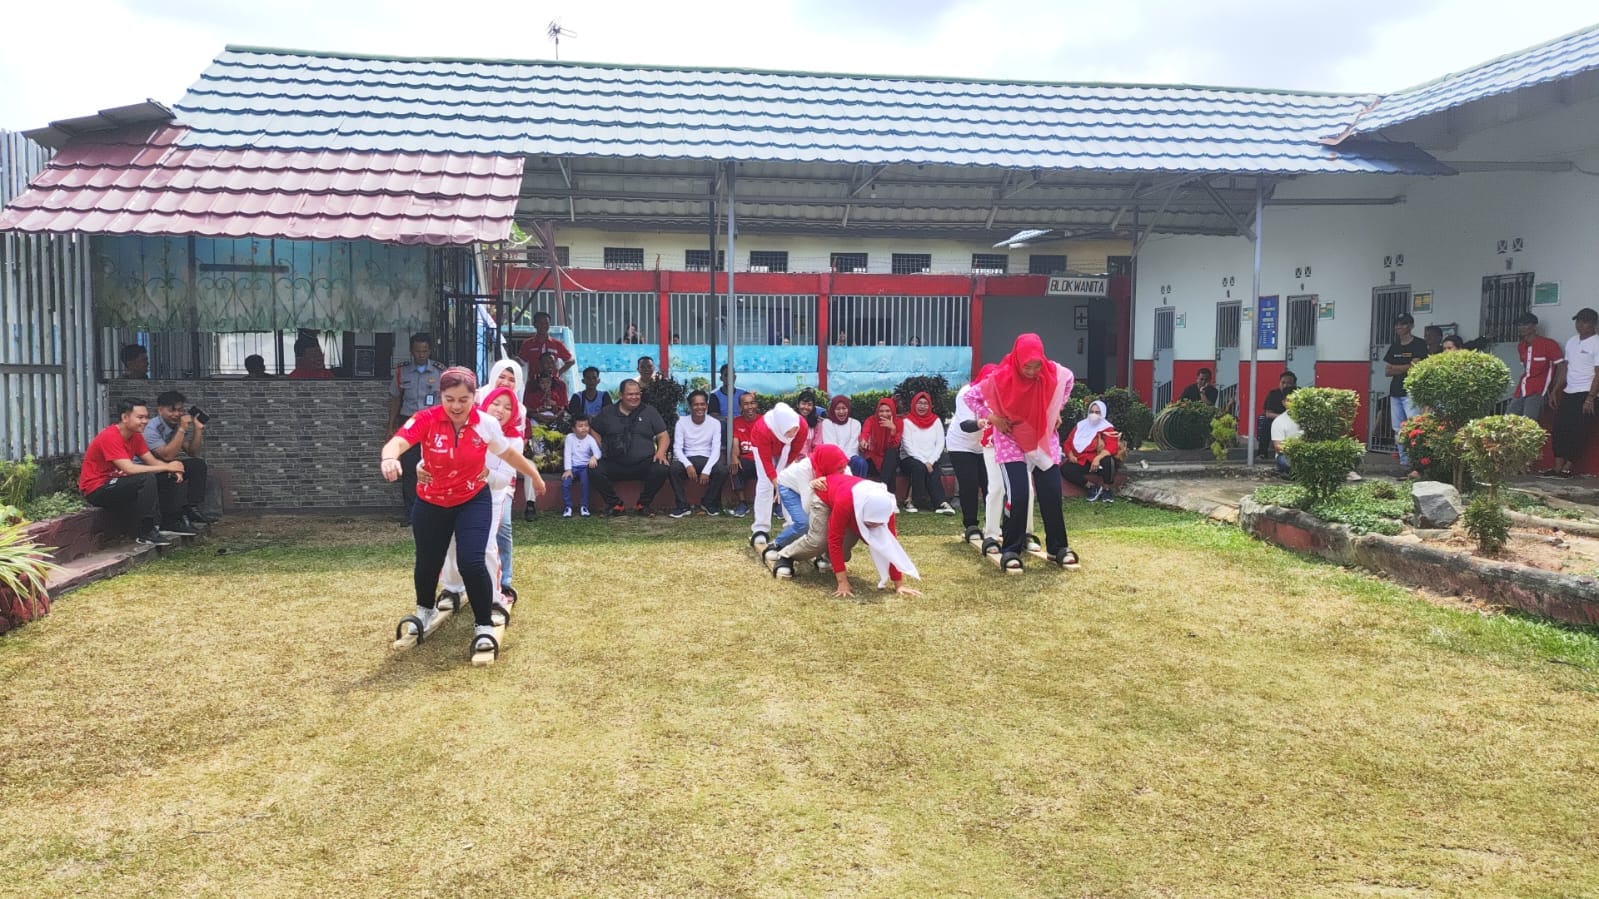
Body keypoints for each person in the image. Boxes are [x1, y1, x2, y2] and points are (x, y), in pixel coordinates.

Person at [382, 368, 546, 658]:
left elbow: (509, 454)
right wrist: (389, 458)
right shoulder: (426, 419)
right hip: (432, 502)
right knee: (428, 561)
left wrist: (534, 475)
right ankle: (424, 611)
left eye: (463, 399)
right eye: (449, 399)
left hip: (471, 499)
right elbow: (398, 442)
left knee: (472, 560)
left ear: (474, 397)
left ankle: (483, 623)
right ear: (441, 397)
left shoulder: (485, 424)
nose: (456, 406)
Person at [963, 333, 1078, 570]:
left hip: (1042, 438)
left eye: (1037, 365)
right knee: (1019, 495)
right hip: (1010, 439)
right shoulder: (1001, 377)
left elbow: (1069, 380)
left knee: (1052, 493)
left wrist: (1057, 410)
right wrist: (992, 417)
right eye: (1028, 365)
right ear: (1018, 360)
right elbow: (970, 396)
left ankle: (1058, 547)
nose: (1033, 370)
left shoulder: (1051, 372)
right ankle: (1011, 549)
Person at [427, 387, 523, 613]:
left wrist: (485, 474)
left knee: (487, 547)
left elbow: (504, 480)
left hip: (491, 499)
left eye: (508, 407)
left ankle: (492, 597)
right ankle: (453, 588)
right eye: (496, 404)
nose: (501, 410)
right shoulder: (468, 427)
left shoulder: (513, 441)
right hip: (459, 495)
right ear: (485, 403)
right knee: (451, 542)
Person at [80, 398, 194, 546]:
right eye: (140, 417)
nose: (145, 421)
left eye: (146, 417)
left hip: (118, 482)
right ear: (125, 417)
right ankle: (145, 531)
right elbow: (130, 468)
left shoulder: (136, 436)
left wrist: (173, 468)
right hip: (98, 488)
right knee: (146, 478)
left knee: (164, 475)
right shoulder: (110, 436)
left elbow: (152, 462)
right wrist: (166, 467)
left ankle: (170, 521)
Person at [815, 475, 922, 599]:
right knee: (816, 541)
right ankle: (787, 556)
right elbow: (834, 539)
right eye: (871, 524)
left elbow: (890, 544)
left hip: (848, 501)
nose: (875, 528)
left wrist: (898, 585)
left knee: (843, 553)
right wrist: (842, 582)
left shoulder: (886, 508)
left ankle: (825, 558)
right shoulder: (845, 502)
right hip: (822, 494)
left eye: (879, 524)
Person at [477, 359, 526, 590]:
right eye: (502, 376)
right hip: (472, 476)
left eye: (512, 379)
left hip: (502, 477)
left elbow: (515, 446)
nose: (505, 382)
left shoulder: (520, 409)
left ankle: (504, 579)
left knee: (503, 525)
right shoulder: (476, 397)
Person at [590, 378, 672, 515]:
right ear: (621, 395)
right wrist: (601, 446)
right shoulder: (607, 412)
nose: (634, 397)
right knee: (594, 470)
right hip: (614, 462)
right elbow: (593, 430)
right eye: (630, 394)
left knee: (661, 468)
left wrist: (661, 453)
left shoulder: (649, 411)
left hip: (643, 463)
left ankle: (643, 504)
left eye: (637, 394)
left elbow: (663, 435)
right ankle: (615, 505)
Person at [388, 332, 445, 526]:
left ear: (430, 351)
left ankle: (434, 510)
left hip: (433, 423)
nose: (421, 354)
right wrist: (391, 425)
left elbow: (446, 400)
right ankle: (411, 513)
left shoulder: (440, 371)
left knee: (435, 466)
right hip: (409, 422)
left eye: (425, 351)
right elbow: (395, 399)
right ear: (411, 351)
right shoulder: (401, 372)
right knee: (410, 468)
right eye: (418, 351)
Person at [767, 443, 851, 572]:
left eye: (844, 466)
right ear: (828, 465)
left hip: (809, 489)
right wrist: (812, 486)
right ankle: (776, 544)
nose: (843, 470)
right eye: (840, 468)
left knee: (831, 520)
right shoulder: (804, 468)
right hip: (789, 487)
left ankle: (822, 556)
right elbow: (807, 507)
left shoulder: (844, 468)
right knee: (804, 522)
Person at [143, 389, 216, 529]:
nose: (177, 414)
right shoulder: (151, 429)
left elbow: (192, 452)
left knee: (197, 465)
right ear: (160, 410)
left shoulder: (174, 426)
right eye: (172, 410)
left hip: (165, 466)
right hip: (147, 470)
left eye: (180, 410)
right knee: (166, 474)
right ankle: (170, 520)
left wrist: (198, 429)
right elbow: (167, 455)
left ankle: (191, 507)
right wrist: (182, 429)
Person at [1541, 307, 1599, 479]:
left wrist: (1590, 397)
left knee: (1579, 430)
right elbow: (1565, 369)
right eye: (1578, 321)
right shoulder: (1572, 341)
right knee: (1560, 428)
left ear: (1593, 324)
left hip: (1586, 393)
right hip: (1569, 391)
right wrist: (1555, 390)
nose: (1580, 325)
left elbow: (1598, 373)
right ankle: (1557, 467)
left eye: (1584, 321)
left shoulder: (1597, 342)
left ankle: (1568, 467)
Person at [747, 402, 810, 544]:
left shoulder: (801, 426)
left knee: (790, 485)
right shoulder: (763, 428)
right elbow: (766, 462)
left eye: (795, 430)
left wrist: (783, 478)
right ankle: (760, 528)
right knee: (765, 484)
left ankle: (794, 524)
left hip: (786, 451)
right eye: (789, 431)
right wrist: (775, 481)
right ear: (781, 427)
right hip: (763, 449)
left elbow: (794, 450)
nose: (793, 434)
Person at [948, 366, 995, 538]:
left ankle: (992, 523)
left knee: (991, 484)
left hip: (985, 445)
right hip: (961, 444)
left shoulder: (999, 393)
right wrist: (980, 423)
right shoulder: (967, 393)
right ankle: (971, 525)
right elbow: (965, 425)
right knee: (969, 483)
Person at [669, 389, 729, 517]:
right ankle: (682, 506)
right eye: (696, 404)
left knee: (722, 470)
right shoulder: (681, 422)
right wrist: (687, 465)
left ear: (707, 406)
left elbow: (715, 450)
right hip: (688, 458)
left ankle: (708, 502)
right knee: (673, 469)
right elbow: (677, 449)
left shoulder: (715, 423)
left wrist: (707, 470)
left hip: (707, 459)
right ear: (690, 406)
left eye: (703, 404)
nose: (700, 407)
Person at [898, 391, 955, 514]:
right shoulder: (907, 421)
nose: (922, 406)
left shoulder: (936, 421)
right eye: (919, 403)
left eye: (925, 403)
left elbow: (940, 443)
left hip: (931, 458)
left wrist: (931, 461)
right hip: (909, 458)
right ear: (914, 404)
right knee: (919, 467)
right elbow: (908, 446)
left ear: (930, 406)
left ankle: (941, 503)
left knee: (934, 469)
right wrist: (925, 462)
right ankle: (913, 501)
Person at [1384, 313, 1429, 466]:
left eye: (1402, 324)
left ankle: (1417, 462)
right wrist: (1406, 367)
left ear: (1410, 326)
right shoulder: (1394, 345)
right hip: (1395, 392)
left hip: (1411, 392)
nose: (1398, 327)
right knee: (1398, 429)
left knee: (1413, 426)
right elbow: (1387, 371)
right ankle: (1405, 463)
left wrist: (1398, 368)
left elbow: (1415, 367)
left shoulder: (1419, 344)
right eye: (1397, 324)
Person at [1062, 399, 1122, 503]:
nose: (1094, 414)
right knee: (1066, 469)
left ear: (1102, 413)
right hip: (1082, 460)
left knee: (1108, 461)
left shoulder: (1107, 428)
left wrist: (1098, 458)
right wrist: (1070, 454)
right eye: (1092, 411)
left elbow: (1112, 447)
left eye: (1097, 412)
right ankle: (1091, 487)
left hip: (1099, 462)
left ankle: (1106, 489)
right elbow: (1068, 443)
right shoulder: (1080, 426)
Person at [1511, 312, 1561, 421]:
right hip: (1522, 388)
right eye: (1519, 325)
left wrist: (1554, 390)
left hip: (1538, 390)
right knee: (1509, 419)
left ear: (1534, 326)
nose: (1521, 328)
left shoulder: (1549, 344)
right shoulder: (1521, 346)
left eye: (1525, 324)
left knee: (1529, 423)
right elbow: (1526, 369)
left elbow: (1561, 367)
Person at [857, 397, 903, 492]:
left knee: (891, 454)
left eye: (888, 411)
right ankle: (888, 494)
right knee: (890, 470)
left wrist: (893, 430)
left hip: (889, 459)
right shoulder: (871, 420)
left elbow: (895, 445)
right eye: (881, 411)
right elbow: (865, 433)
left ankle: (882, 488)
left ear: (893, 411)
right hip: (873, 459)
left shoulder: (898, 422)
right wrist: (863, 441)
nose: (884, 414)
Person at [562, 414, 601, 516]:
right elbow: (567, 453)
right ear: (573, 429)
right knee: (566, 483)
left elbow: (598, 452)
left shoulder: (590, 439)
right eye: (580, 426)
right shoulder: (570, 438)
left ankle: (584, 506)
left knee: (585, 483)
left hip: (585, 467)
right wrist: (568, 469)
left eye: (586, 425)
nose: (584, 428)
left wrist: (594, 457)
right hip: (572, 467)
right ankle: (568, 507)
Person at [729, 392, 761, 517]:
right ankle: (742, 503)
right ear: (740, 408)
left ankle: (775, 505)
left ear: (756, 405)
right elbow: (736, 443)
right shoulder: (736, 422)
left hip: (762, 460)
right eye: (746, 404)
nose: (750, 407)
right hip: (746, 460)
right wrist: (734, 457)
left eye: (752, 403)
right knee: (734, 466)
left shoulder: (763, 420)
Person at [516, 310, 574, 379]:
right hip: (533, 382)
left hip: (553, 383)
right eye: (540, 323)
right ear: (534, 324)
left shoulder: (557, 344)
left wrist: (558, 373)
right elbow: (521, 361)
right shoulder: (527, 344)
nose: (543, 326)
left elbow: (570, 361)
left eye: (546, 323)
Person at [1257, 371, 1298, 459]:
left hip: (1296, 419)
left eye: (1289, 383)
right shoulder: (1273, 394)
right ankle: (1262, 453)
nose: (1285, 385)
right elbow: (1268, 414)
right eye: (1283, 382)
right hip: (1277, 419)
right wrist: (1284, 418)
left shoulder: (1299, 393)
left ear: (1294, 384)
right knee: (1266, 423)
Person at [819, 395, 865, 473]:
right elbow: (831, 445)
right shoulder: (827, 423)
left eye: (844, 408)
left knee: (861, 463)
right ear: (833, 410)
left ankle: (857, 485)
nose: (841, 412)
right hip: (833, 459)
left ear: (848, 409)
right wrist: (841, 462)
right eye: (837, 409)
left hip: (851, 458)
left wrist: (845, 461)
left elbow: (853, 446)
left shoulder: (855, 423)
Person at [1271, 409, 1303, 475]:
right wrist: (1295, 451)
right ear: (1284, 402)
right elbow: (1277, 446)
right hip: (1287, 453)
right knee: (1285, 462)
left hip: (1305, 451)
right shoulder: (1279, 421)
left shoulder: (1311, 419)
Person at [794, 390, 821, 456]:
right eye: (803, 404)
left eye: (809, 404)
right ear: (798, 404)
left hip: (810, 460)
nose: (806, 407)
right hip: (793, 460)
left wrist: (809, 459)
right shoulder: (792, 421)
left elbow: (817, 445)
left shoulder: (817, 423)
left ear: (813, 407)